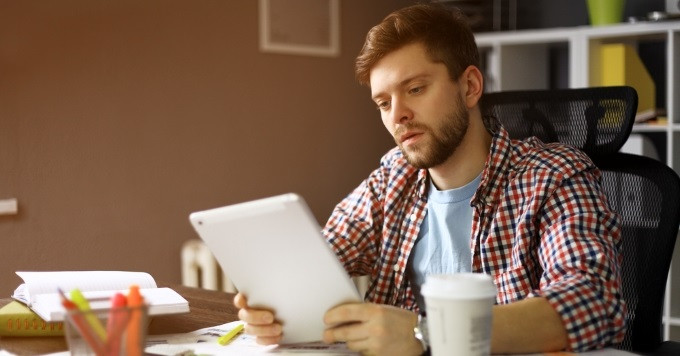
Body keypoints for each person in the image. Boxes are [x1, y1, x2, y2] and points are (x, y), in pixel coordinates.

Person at [235, 3, 627, 355]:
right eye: (383, 103)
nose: (397, 116)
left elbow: (592, 300)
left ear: (470, 86)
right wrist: (271, 303)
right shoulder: (394, 177)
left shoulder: (553, 175)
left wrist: (427, 333)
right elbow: (319, 259)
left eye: (415, 89)